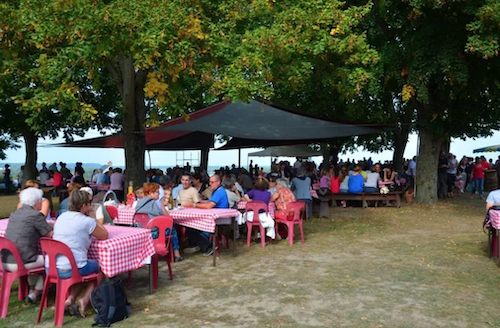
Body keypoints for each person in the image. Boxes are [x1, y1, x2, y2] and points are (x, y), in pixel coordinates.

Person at [52, 190, 108, 317]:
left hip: (53, 267)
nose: (91, 205)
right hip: (73, 267)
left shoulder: (61, 217)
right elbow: (104, 235)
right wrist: (94, 218)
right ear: (83, 206)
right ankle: (85, 299)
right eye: (89, 203)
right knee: (101, 268)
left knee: (81, 267)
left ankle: (70, 299)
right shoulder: (86, 221)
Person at [2, 188, 53, 303]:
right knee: (51, 261)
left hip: (4, 259)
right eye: (41, 200)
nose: (42, 202)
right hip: (20, 261)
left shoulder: (14, 214)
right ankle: (36, 291)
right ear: (36, 202)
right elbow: (50, 235)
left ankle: (32, 290)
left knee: (35, 258)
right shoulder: (35, 216)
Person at [135, 182, 183, 262]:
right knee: (173, 229)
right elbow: (168, 219)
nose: (159, 194)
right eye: (157, 192)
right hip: (155, 232)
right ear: (150, 193)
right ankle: (177, 254)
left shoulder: (138, 203)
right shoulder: (157, 203)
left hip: (143, 231)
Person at [183, 174, 228, 256]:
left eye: (212, 182)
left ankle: (208, 246)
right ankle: (198, 245)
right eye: (210, 182)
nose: (210, 184)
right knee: (191, 228)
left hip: (218, 220)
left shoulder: (219, 192)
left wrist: (194, 205)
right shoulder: (218, 191)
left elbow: (208, 206)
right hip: (216, 217)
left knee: (190, 228)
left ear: (218, 182)